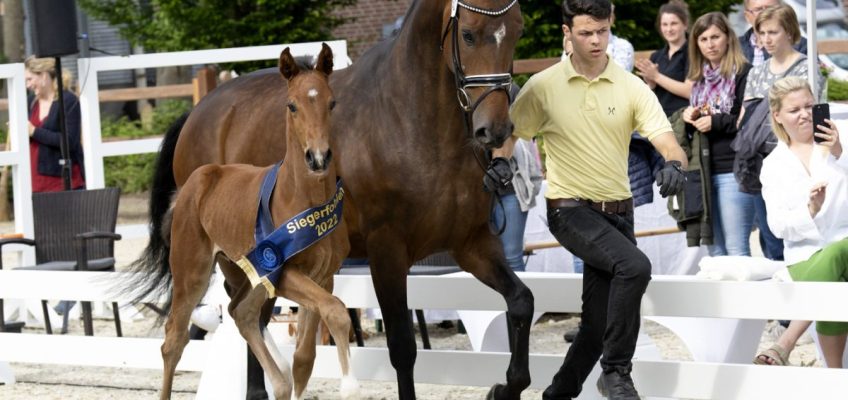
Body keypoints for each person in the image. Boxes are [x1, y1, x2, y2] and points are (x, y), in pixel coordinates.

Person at [502, 1, 687, 398]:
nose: (596, 40)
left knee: (596, 325)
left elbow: (668, 141)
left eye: (602, 31)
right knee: (635, 267)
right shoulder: (543, 87)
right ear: (567, 32)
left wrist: (674, 164)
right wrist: (499, 163)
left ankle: (557, 395)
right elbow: (508, 136)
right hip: (569, 209)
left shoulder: (630, 86)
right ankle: (616, 371)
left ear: (611, 26)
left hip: (619, 214)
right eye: (586, 33)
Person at [753, 76, 847, 367]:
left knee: (836, 256)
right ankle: (835, 374)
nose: (805, 113)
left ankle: (787, 343)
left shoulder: (841, 138)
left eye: (809, 105)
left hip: (843, 240)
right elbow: (778, 226)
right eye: (795, 110)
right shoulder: (773, 165)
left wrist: (840, 153)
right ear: (778, 116)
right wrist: (810, 210)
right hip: (805, 256)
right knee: (834, 271)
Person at [737, 3, 823, 261]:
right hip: (758, 160)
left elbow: (812, 116)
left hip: (797, 158)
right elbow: (745, 117)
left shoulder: (806, 67)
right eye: (761, 33)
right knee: (769, 236)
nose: (766, 39)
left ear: (789, 31)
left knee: (804, 230)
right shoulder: (756, 71)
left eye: (772, 32)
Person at [679, 12, 753, 256]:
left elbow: (749, 121)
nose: (710, 44)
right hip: (703, 171)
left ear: (728, 38)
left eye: (715, 37)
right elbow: (698, 126)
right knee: (714, 250)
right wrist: (690, 119)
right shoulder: (699, 81)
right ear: (696, 44)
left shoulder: (744, 73)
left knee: (736, 249)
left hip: (733, 168)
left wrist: (716, 122)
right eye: (703, 39)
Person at [490, 84, 543, 272]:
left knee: (511, 256)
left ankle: (518, 301)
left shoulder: (512, 90)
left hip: (510, 187)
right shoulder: (464, 91)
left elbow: (523, 132)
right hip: (476, 191)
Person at [24, 56, 85, 192]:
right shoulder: (31, 102)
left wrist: (34, 131)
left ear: (44, 76)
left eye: (30, 79)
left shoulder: (68, 100)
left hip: (62, 182)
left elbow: (69, 141)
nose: (27, 85)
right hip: (34, 182)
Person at [635, 0, 692, 117]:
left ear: (685, 24)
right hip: (658, 118)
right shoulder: (656, 56)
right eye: (664, 24)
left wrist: (656, 77)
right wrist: (651, 84)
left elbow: (690, 91)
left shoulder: (693, 53)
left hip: (682, 119)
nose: (669, 29)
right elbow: (649, 96)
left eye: (674, 23)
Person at [738, 0, 807, 67]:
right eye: (758, 9)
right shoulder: (735, 46)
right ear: (747, 16)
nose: (765, 13)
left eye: (770, 8)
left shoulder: (801, 46)